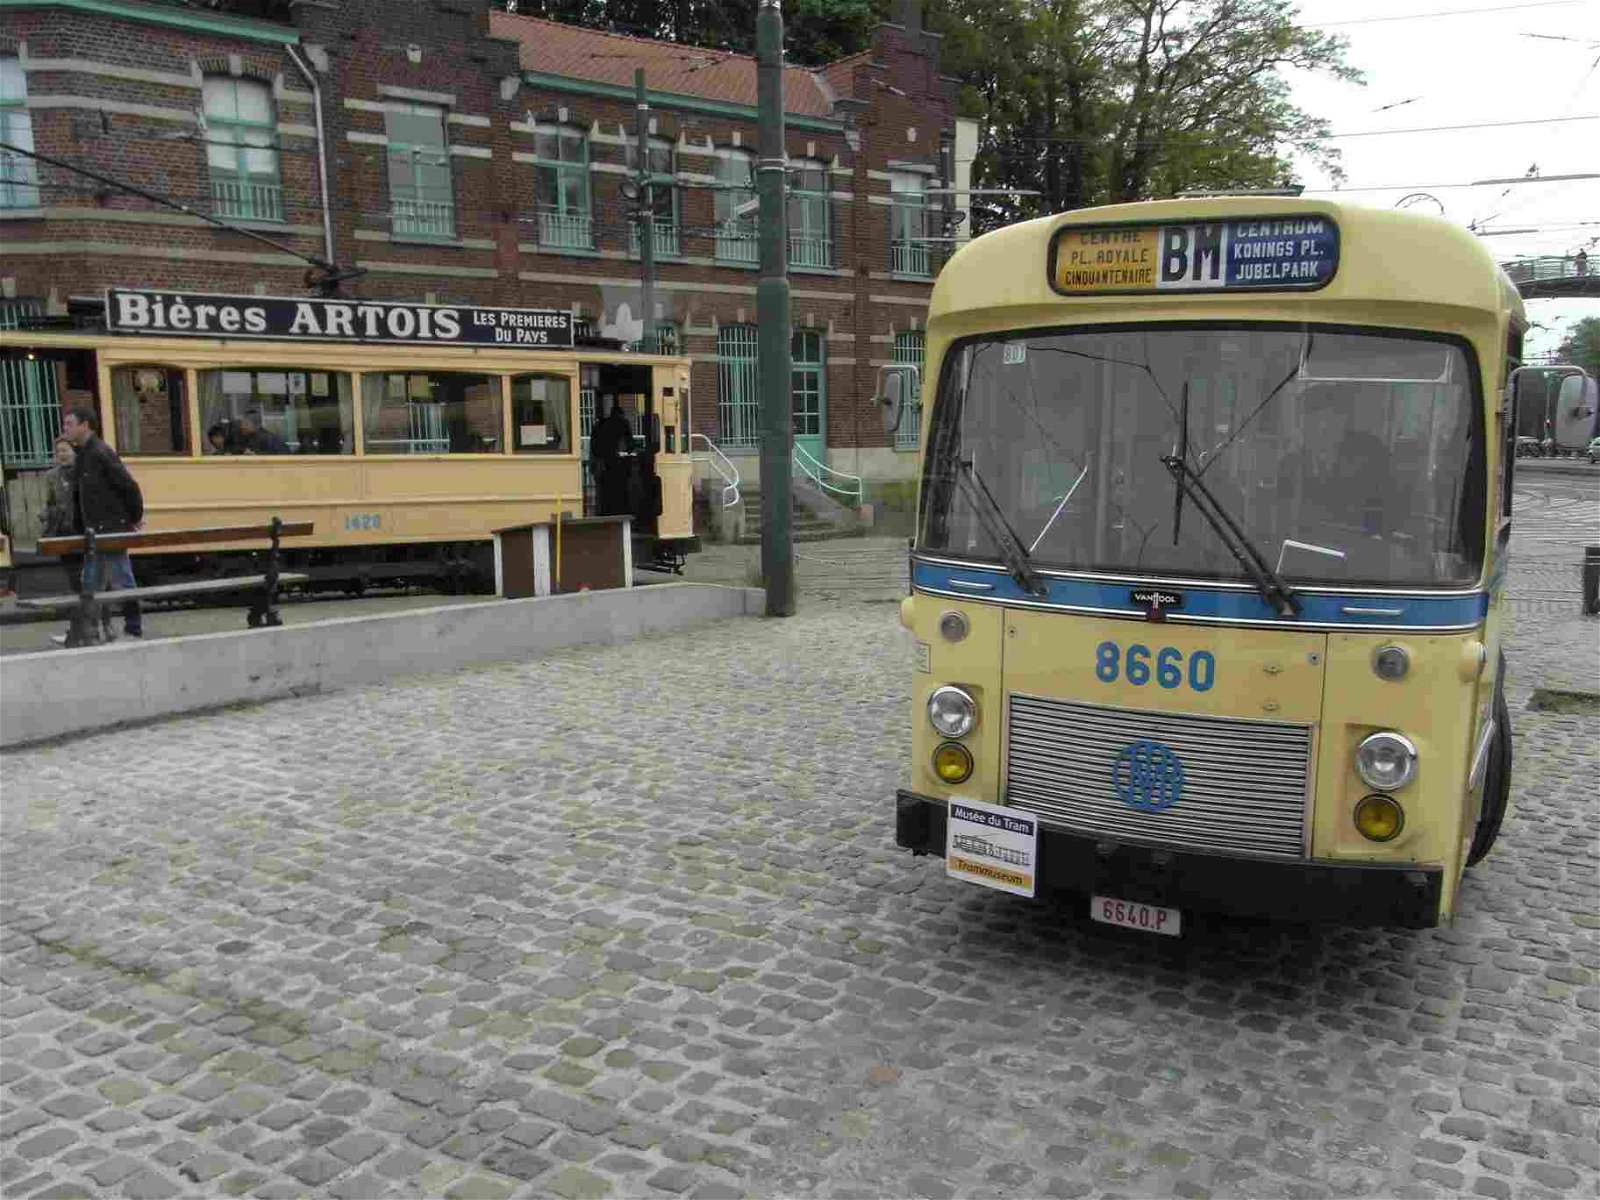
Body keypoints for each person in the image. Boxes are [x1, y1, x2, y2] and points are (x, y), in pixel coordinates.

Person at [60, 406, 143, 641]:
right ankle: (89, 630)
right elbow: (80, 497)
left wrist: (134, 517)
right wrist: (80, 527)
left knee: (121, 577)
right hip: (93, 531)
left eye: (69, 424)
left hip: (110, 529)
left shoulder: (100, 452)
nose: (65, 428)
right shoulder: (84, 454)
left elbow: (128, 486)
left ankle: (132, 627)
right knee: (91, 582)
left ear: (84, 425)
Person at [41, 436, 92, 611]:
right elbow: (50, 502)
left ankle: (95, 613)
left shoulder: (84, 471)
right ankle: (81, 612)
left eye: (65, 450)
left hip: (84, 529)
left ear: (74, 452)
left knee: (89, 574)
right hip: (64, 530)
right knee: (73, 574)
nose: (61, 454)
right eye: (58, 451)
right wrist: (46, 515)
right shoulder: (51, 476)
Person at [589, 399, 634, 517]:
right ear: (621, 414)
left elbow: (594, 444)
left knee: (603, 488)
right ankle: (617, 510)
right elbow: (630, 443)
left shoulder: (601, 423)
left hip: (599, 460)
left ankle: (603, 511)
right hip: (611, 459)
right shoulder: (622, 422)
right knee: (617, 486)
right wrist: (629, 451)